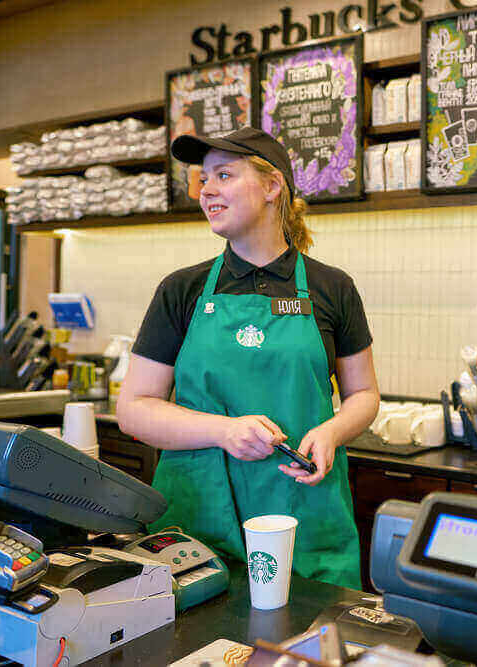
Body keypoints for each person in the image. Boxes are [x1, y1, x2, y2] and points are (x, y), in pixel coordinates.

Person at [118, 127, 379, 589]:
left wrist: (332, 430)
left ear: (272, 186)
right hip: (196, 531)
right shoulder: (182, 290)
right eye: (203, 178)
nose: (205, 190)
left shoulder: (332, 287)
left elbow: (364, 394)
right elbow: (134, 408)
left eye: (224, 175)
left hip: (305, 517)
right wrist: (223, 431)